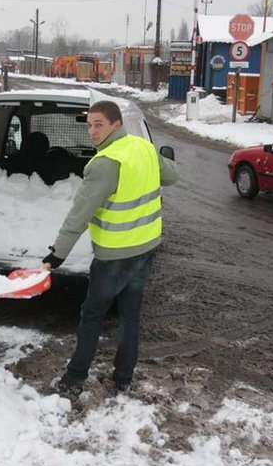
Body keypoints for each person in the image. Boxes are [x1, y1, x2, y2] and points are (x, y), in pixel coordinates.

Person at [42, 100, 178, 396]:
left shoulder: (105, 163)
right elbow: (172, 176)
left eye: (99, 124)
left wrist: (56, 255)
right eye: (89, 125)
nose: (92, 131)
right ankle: (123, 377)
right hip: (147, 247)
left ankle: (74, 377)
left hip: (115, 256)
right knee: (131, 314)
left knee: (92, 315)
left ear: (116, 124)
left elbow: (79, 216)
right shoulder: (143, 148)